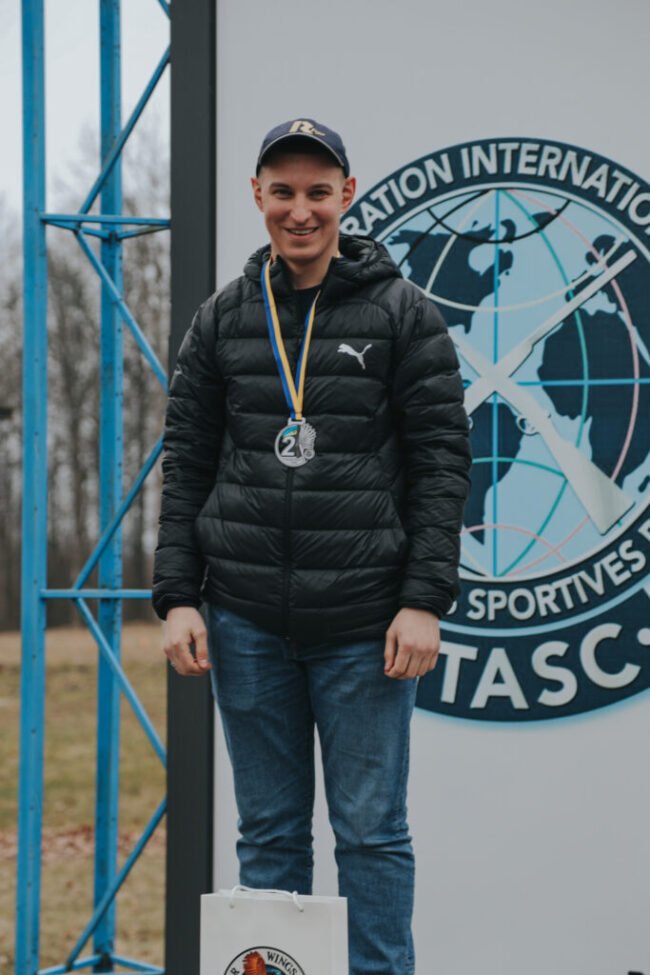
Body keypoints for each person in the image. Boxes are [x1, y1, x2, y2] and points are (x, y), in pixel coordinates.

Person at [153, 118, 471, 975]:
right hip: (247, 617)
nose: (301, 211)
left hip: (365, 624)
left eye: (318, 193)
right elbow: (186, 463)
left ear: (347, 195)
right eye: (283, 192)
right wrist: (178, 595)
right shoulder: (222, 319)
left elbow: (443, 462)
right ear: (257, 195)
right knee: (269, 834)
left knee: (371, 832)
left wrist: (423, 599)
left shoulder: (403, 313)